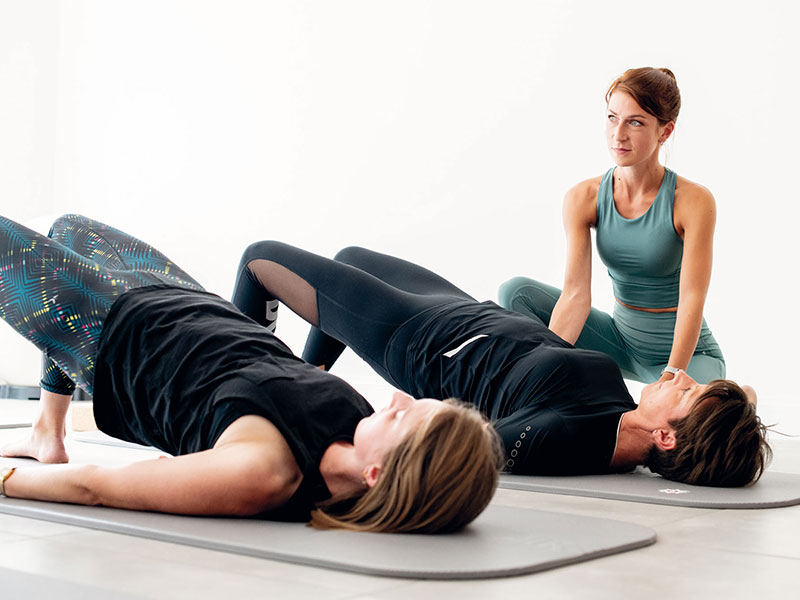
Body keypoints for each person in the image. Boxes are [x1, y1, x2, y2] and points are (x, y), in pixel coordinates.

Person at [0, 214, 502, 533]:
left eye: (403, 418)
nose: (397, 399)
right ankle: (48, 431)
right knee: (68, 228)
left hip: (115, 334)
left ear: (375, 476)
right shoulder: (357, 424)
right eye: (415, 402)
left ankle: (47, 439)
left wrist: (8, 480)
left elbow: (99, 486)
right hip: (187, 299)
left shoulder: (261, 475)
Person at [232, 241, 770, 487]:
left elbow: (463, 446)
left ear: (667, 439)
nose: (678, 375)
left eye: (687, 392)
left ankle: (245, 393)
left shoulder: (567, 438)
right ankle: (306, 377)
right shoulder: (618, 408)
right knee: (347, 257)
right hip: (457, 309)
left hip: (417, 337)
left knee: (260, 261)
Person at [499, 67, 725, 384]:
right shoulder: (584, 197)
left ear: (665, 131)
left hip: (687, 356)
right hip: (619, 342)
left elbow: (692, 299)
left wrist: (671, 378)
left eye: (635, 122)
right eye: (612, 118)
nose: (618, 134)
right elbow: (576, 295)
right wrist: (545, 372)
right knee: (516, 292)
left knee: (676, 428)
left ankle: (740, 394)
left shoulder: (693, 201)